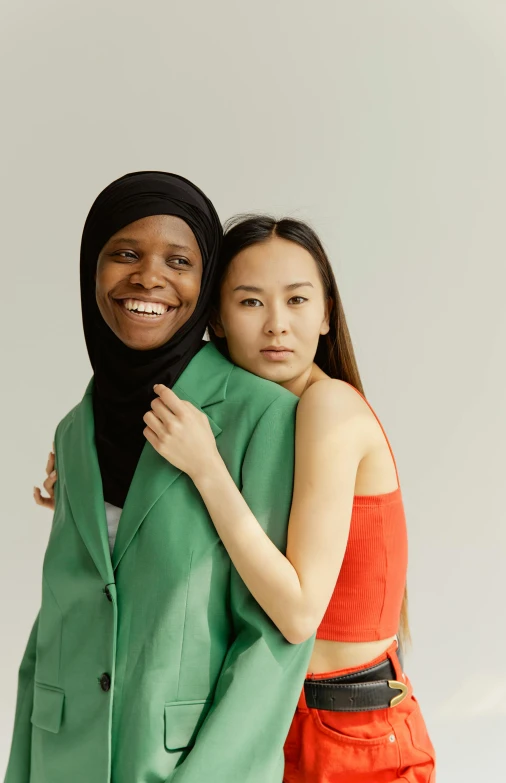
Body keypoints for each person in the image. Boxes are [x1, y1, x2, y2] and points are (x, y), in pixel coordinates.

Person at [86, 213, 434, 783]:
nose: (277, 326)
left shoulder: (330, 409)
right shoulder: (257, 419)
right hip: (267, 721)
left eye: (297, 301)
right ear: (216, 320)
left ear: (326, 314)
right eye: (250, 303)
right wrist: (91, 488)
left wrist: (206, 469)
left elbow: (298, 614)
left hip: (347, 735)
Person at [5, 175, 314, 783]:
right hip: (62, 760)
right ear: (91, 270)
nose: (148, 277)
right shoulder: (76, 430)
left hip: (183, 764)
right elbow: (59, 621)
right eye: (124, 254)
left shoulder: (261, 417)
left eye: (179, 261)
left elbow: (272, 643)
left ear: (207, 290)